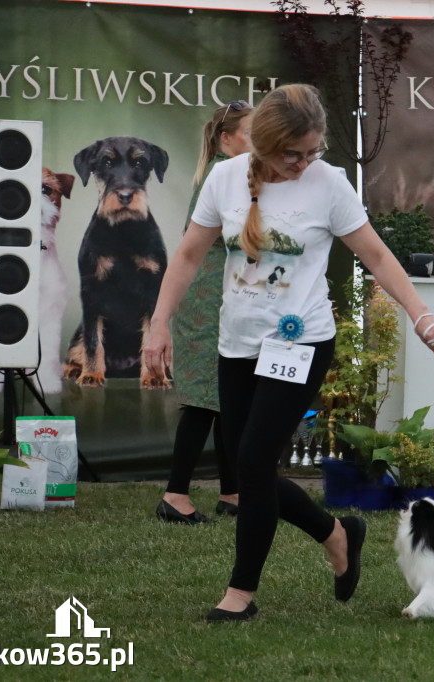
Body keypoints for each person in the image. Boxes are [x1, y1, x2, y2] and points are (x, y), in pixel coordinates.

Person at [143, 84, 434, 621]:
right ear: (260, 143)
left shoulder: (329, 185)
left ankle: (240, 593)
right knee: (247, 465)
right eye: (293, 154)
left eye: (313, 152)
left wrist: (421, 314)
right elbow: (190, 254)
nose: (305, 163)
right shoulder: (224, 178)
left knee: (254, 463)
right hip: (236, 343)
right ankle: (336, 534)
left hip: (301, 341)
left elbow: (376, 255)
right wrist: (158, 324)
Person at [156, 100, 254, 525]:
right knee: (202, 401)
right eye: (253, 133)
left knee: (224, 398)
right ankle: (175, 495)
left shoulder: (232, 172)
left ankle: (232, 492)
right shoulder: (223, 174)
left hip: (223, 296)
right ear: (226, 138)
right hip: (207, 302)